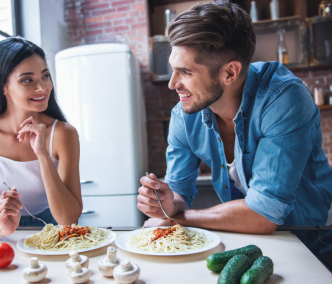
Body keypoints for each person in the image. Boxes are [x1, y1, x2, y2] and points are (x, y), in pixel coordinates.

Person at [137, 1, 332, 234]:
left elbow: (262, 215)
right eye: (173, 69)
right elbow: (178, 193)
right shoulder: (184, 114)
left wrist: (180, 218)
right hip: (241, 237)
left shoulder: (284, 100)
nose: (172, 84)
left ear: (230, 72)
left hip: (305, 238)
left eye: (186, 72)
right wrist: (168, 204)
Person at [0, 37, 82, 237]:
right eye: (27, 80)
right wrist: (1, 227)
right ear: (2, 86)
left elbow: (69, 219)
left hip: (51, 224)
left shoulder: (63, 133)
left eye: (45, 76)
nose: (42, 88)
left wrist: (42, 154)